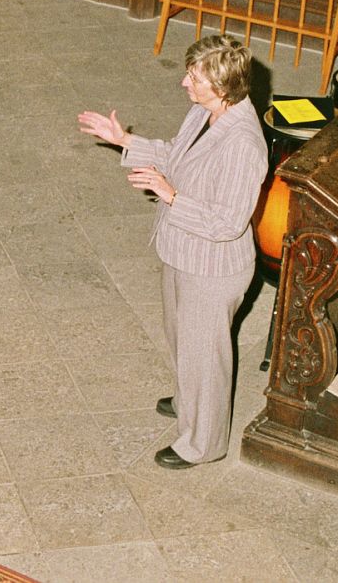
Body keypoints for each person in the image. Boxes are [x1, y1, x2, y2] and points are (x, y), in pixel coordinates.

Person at [78, 34, 267, 470]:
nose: (184, 83)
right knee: (182, 336)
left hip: (212, 266)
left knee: (205, 355)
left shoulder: (243, 144)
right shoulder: (206, 111)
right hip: (183, 249)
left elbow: (228, 222)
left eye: (194, 78)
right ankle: (188, 401)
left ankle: (203, 443)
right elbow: (175, 155)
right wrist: (124, 140)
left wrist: (171, 196)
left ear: (222, 88)